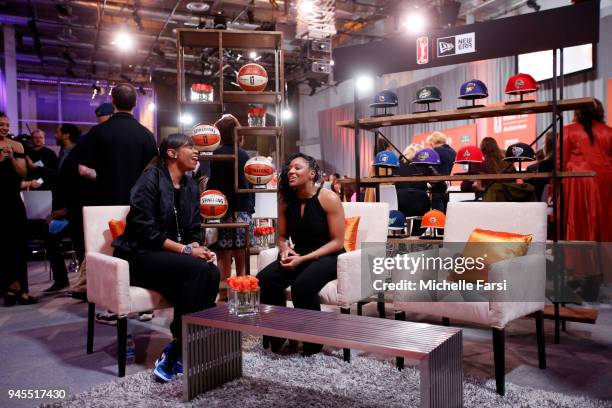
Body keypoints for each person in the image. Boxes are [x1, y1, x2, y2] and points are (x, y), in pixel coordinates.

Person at [113, 133, 220, 382]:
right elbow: (145, 232)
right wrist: (186, 251)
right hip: (138, 255)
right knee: (199, 271)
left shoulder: (191, 185)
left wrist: (197, 247)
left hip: (168, 258)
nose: (197, 152)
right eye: (190, 147)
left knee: (210, 269)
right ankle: (182, 346)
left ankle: (181, 346)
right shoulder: (149, 180)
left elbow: (193, 229)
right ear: (171, 153)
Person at [258, 153, 345, 356]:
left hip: (330, 256)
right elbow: (280, 236)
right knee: (265, 279)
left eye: (297, 168)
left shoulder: (329, 198)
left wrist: (303, 259)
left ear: (312, 173)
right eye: (289, 168)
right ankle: (278, 335)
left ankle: (313, 342)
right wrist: (285, 249)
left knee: (302, 286)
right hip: (300, 253)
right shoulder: (286, 200)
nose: (291, 171)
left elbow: (337, 242)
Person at [78, 83, 158, 205]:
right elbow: (153, 171)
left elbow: (83, 170)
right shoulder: (147, 135)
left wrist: (105, 178)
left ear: (113, 102)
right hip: (138, 203)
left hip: (104, 201)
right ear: (135, 103)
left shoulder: (97, 132)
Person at [207, 115, 255, 295]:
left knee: (223, 252)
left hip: (222, 208)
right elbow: (249, 184)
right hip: (242, 208)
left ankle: (224, 294)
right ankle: (242, 292)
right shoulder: (244, 154)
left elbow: (214, 183)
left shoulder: (217, 154)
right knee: (241, 253)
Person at [558, 100, 612, 242]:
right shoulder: (609, 132)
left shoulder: (568, 130)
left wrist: (554, 188)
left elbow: (559, 161)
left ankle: (578, 261)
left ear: (577, 111)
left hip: (577, 181)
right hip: (605, 181)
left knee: (577, 221)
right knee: (605, 221)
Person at [0, 112, 36, 306]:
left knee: (18, 244)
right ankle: (9, 288)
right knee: (3, 246)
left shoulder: (17, 146)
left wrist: (12, 159)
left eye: (7, 124)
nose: (4, 128)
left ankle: (22, 290)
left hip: (13, 201)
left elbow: (23, 172)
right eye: (1, 124)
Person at [43, 124, 82, 293]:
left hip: (72, 211)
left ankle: (80, 285)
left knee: (79, 246)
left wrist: (67, 209)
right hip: (66, 210)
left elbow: (77, 186)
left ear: (66, 135)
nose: (55, 134)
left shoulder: (75, 154)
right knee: (75, 244)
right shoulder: (64, 153)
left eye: (58, 132)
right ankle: (67, 281)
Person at [395, 144, 432, 235]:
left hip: (400, 203)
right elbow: (438, 184)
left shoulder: (397, 165)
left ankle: (401, 233)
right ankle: (416, 235)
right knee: (424, 214)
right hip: (419, 204)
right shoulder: (424, 166)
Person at [426, 131, 456, 211]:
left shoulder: (435, 151)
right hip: (448, 186)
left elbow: (432, 170)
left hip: (437, 187)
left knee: (438, 215)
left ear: (433, 143)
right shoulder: (453, 152)